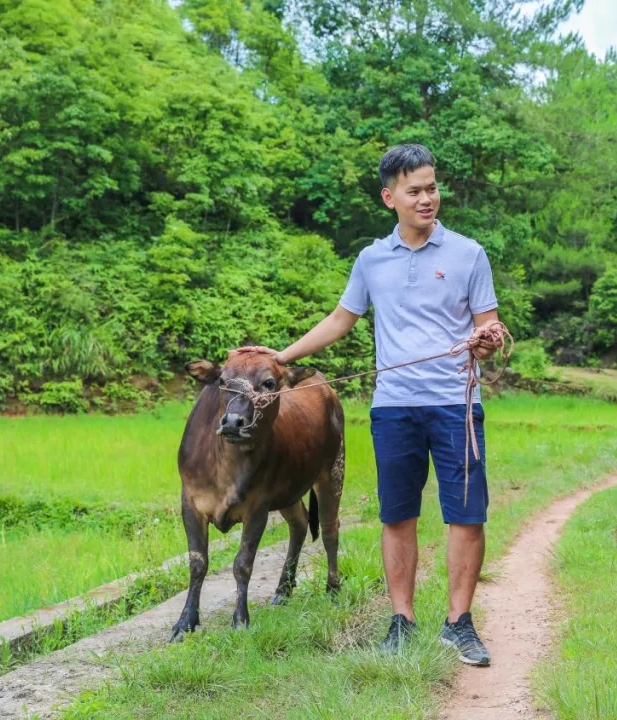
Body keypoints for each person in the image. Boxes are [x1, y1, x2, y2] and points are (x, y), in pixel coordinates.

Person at [238, 144, 502, 666]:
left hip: (455, 405)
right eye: (415, 191)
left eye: (432, 187)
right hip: (394, 408)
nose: (427, 198)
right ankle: (401, 621)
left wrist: (487, 338)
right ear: (390, 197)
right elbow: (341, 320)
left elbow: (486, 323)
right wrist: (281, 356)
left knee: (467, 517)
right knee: (398, 515)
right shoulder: (371, 259)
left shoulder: (469, 254)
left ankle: (459, 624)